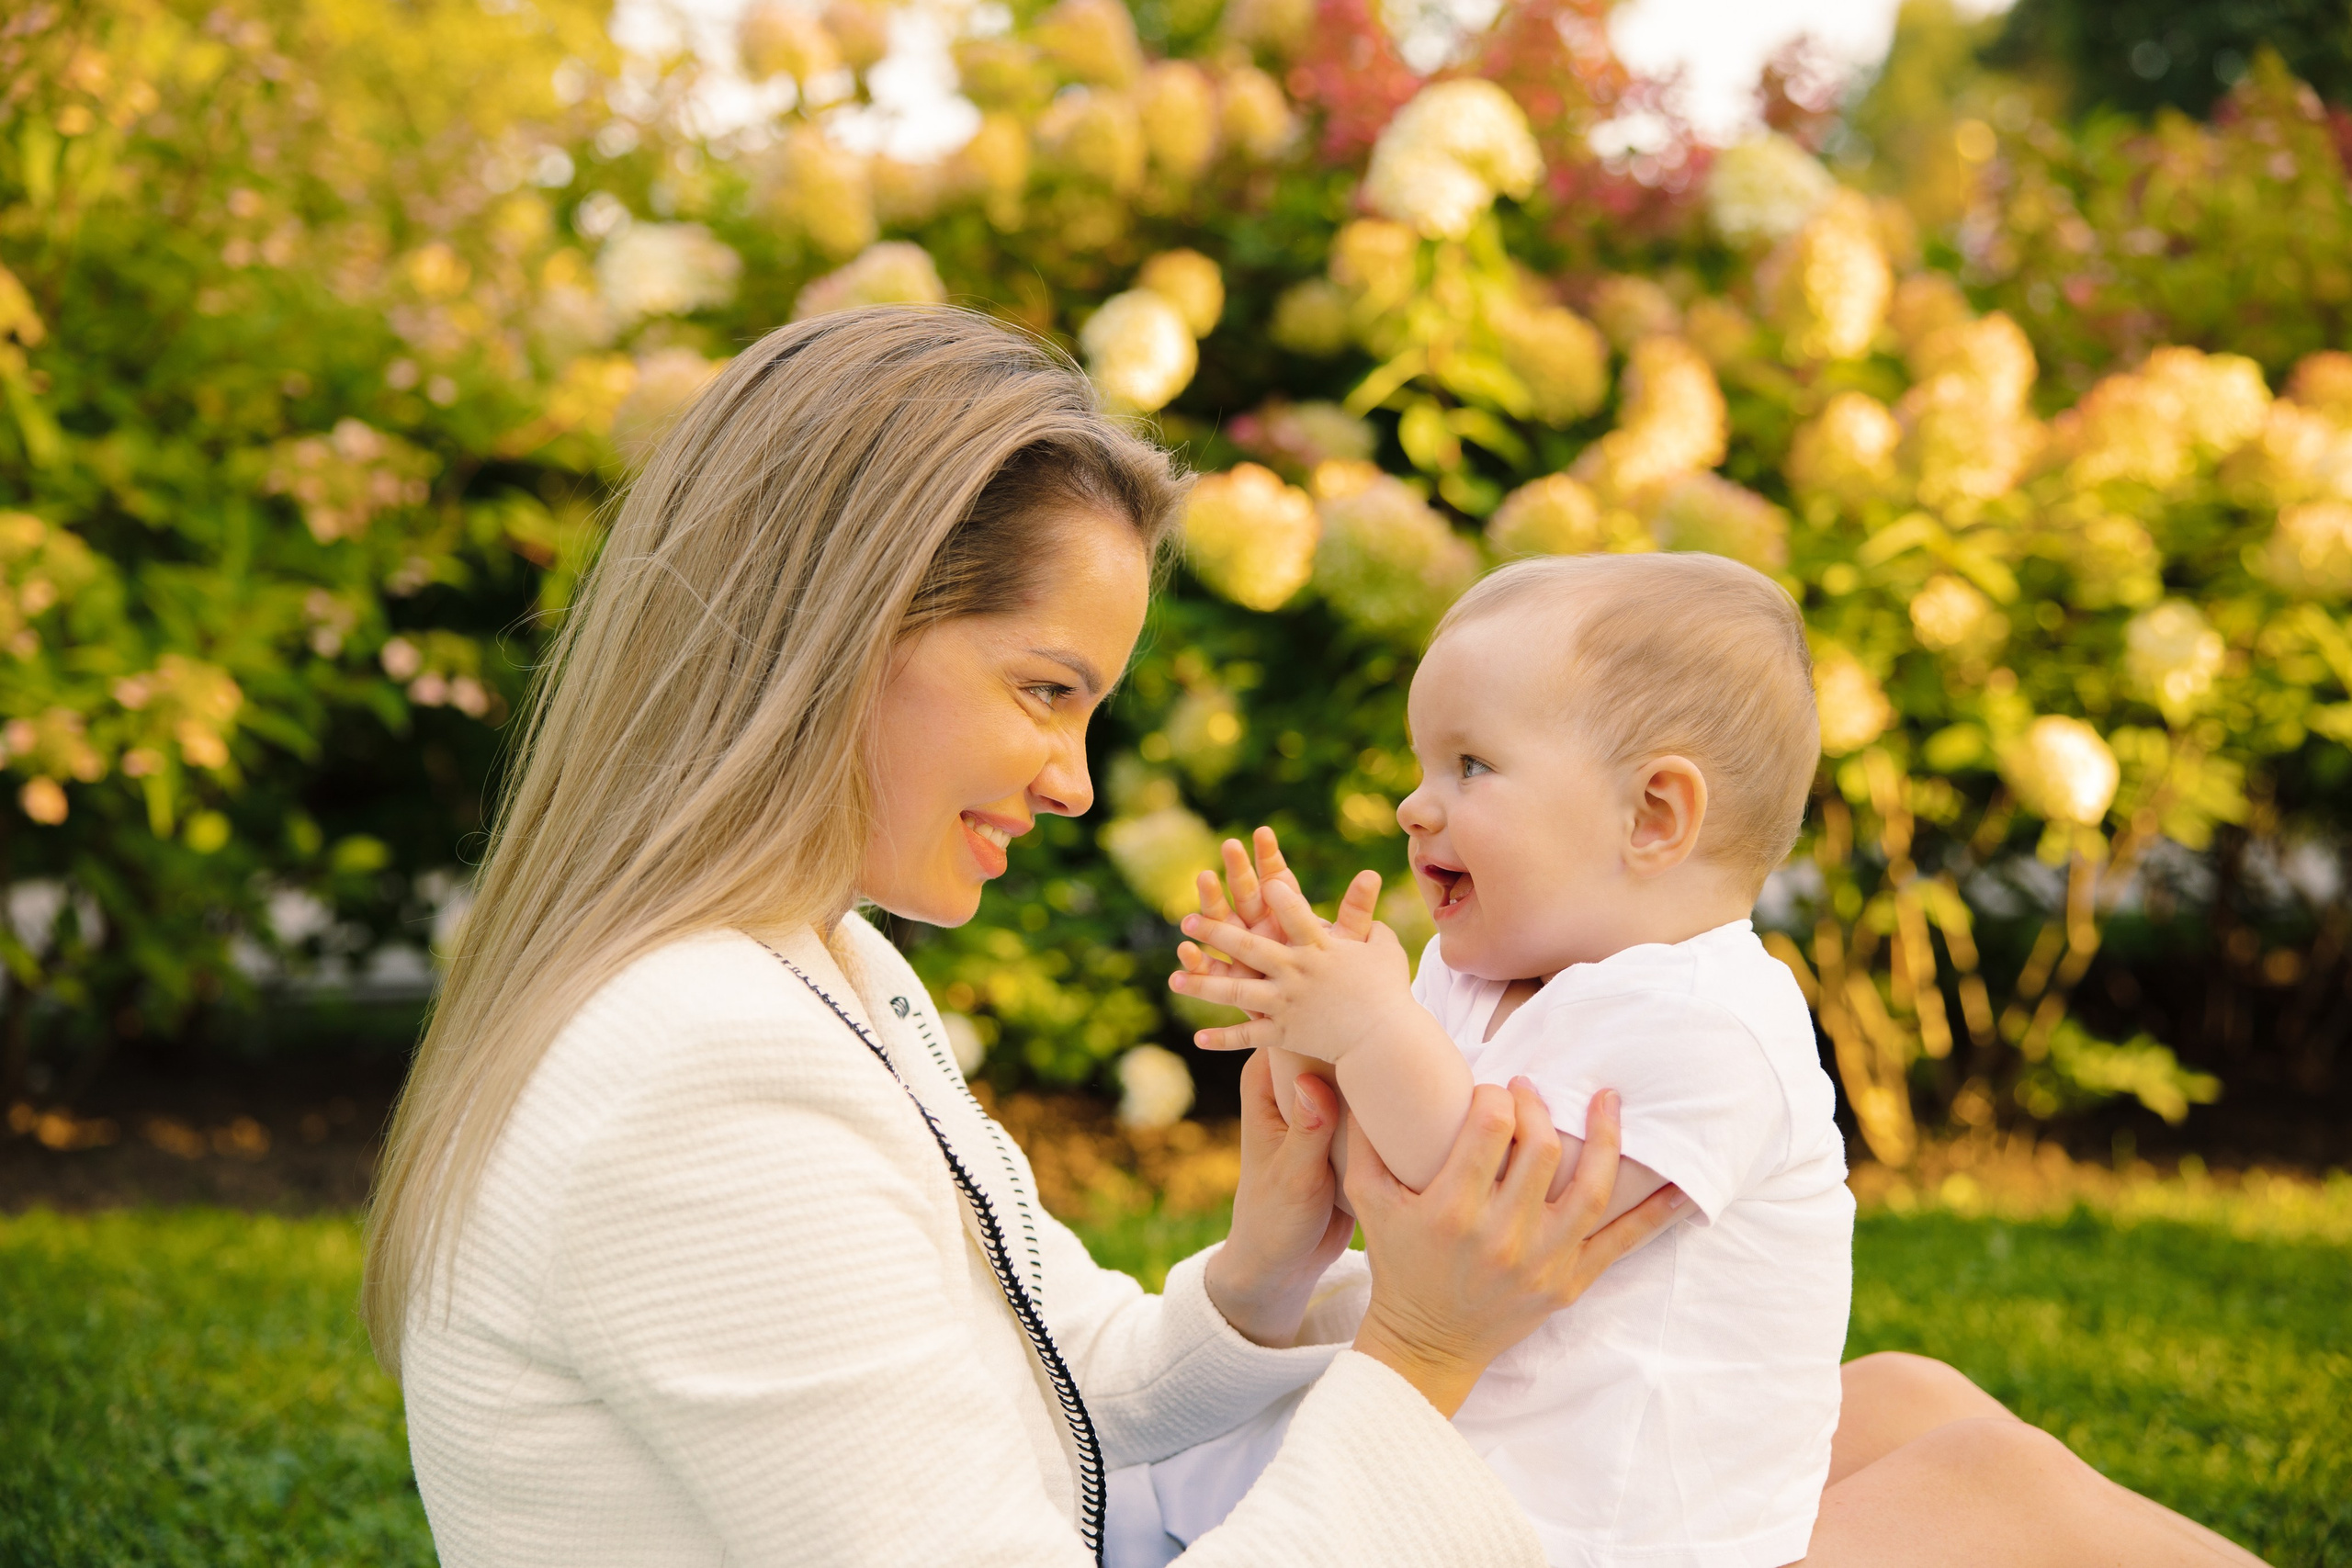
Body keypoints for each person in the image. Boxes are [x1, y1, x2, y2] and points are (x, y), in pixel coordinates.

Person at [361, 306, 2269, 1568]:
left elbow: (1059, 1390)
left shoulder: (817, 968)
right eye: (1045, 692)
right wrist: (1424, 1351)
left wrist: (1272, 1265)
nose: (1075, 781)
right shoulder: (691, 1072)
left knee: (1905, 1410)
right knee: (1951, 1505)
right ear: (840, 631)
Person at [1162, 552, 1851, 1568]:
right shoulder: (1480, 971)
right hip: (1464, 1472)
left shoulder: (1716, 1024)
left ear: (1653, 815)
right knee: (1175, 1481)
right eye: (1421, 766)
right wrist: (1307, 1026)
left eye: (1470, 767)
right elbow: (1384, 1164)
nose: (1414, 806)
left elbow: (1494, 1213)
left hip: (1618, 1529)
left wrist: (1372, 1031)